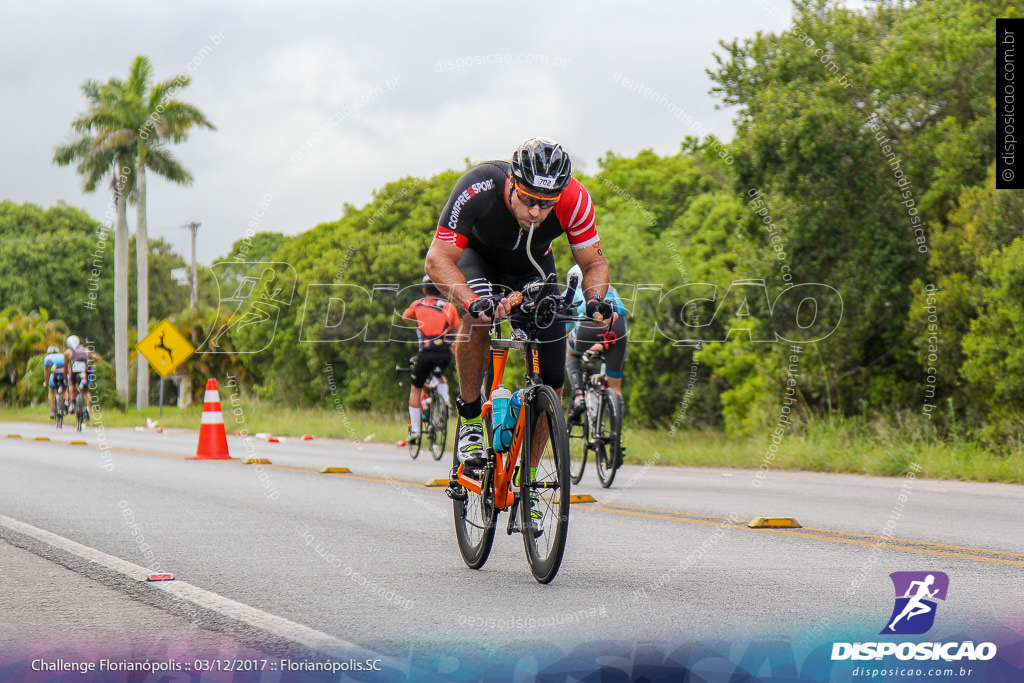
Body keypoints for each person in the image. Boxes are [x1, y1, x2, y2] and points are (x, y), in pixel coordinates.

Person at [424, 137, 614, 473]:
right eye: (528, 200)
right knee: (479, 316)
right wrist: (469, 301)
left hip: (533, 269)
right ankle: (470, 418)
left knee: (553, 378)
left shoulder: (574, 199)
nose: (536, 212)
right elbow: (438, 258)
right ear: (512, 182)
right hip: (477, 261)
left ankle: (527, 476)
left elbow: (594, 265)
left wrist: (596, 301)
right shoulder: (478, 186)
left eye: (547, 204)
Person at [563, 264, 629, 421]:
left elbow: (566, 332)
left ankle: (578, 395)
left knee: (569, 352)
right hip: (618, 325)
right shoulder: (610, 289)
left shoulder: (570, 293)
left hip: (589, 323)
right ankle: (616, 435)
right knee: (615, 386)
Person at [401, 276, 460, 443]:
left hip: (426, 353)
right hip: (444, 353)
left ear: (424, 290)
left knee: (416, 389)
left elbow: (406, 317)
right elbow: (459, 329)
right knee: (440, 376)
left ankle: (415, 430)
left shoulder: (418, 304)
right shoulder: (449, 306)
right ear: (441, 291)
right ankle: (445, 404)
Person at [65, 335, 97, 421]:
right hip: (85, 371)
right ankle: (87, 408)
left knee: (71, 384)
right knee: (86, 390)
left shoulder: (68, 352)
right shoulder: (85, 349)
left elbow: (66, 366)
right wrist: (95, 359)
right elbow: (95, 357)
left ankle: (71, 403)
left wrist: (66, 377)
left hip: (75, 371)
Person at [42, 344, 69, 419]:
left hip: (54, 375)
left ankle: (53, 410)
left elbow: (46, 374)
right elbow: (68, 369)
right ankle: (66, 402)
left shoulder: (47, 358)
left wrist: (46, 383)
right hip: (64, 374)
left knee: (51, 391)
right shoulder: (63, 355)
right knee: (65, 390)